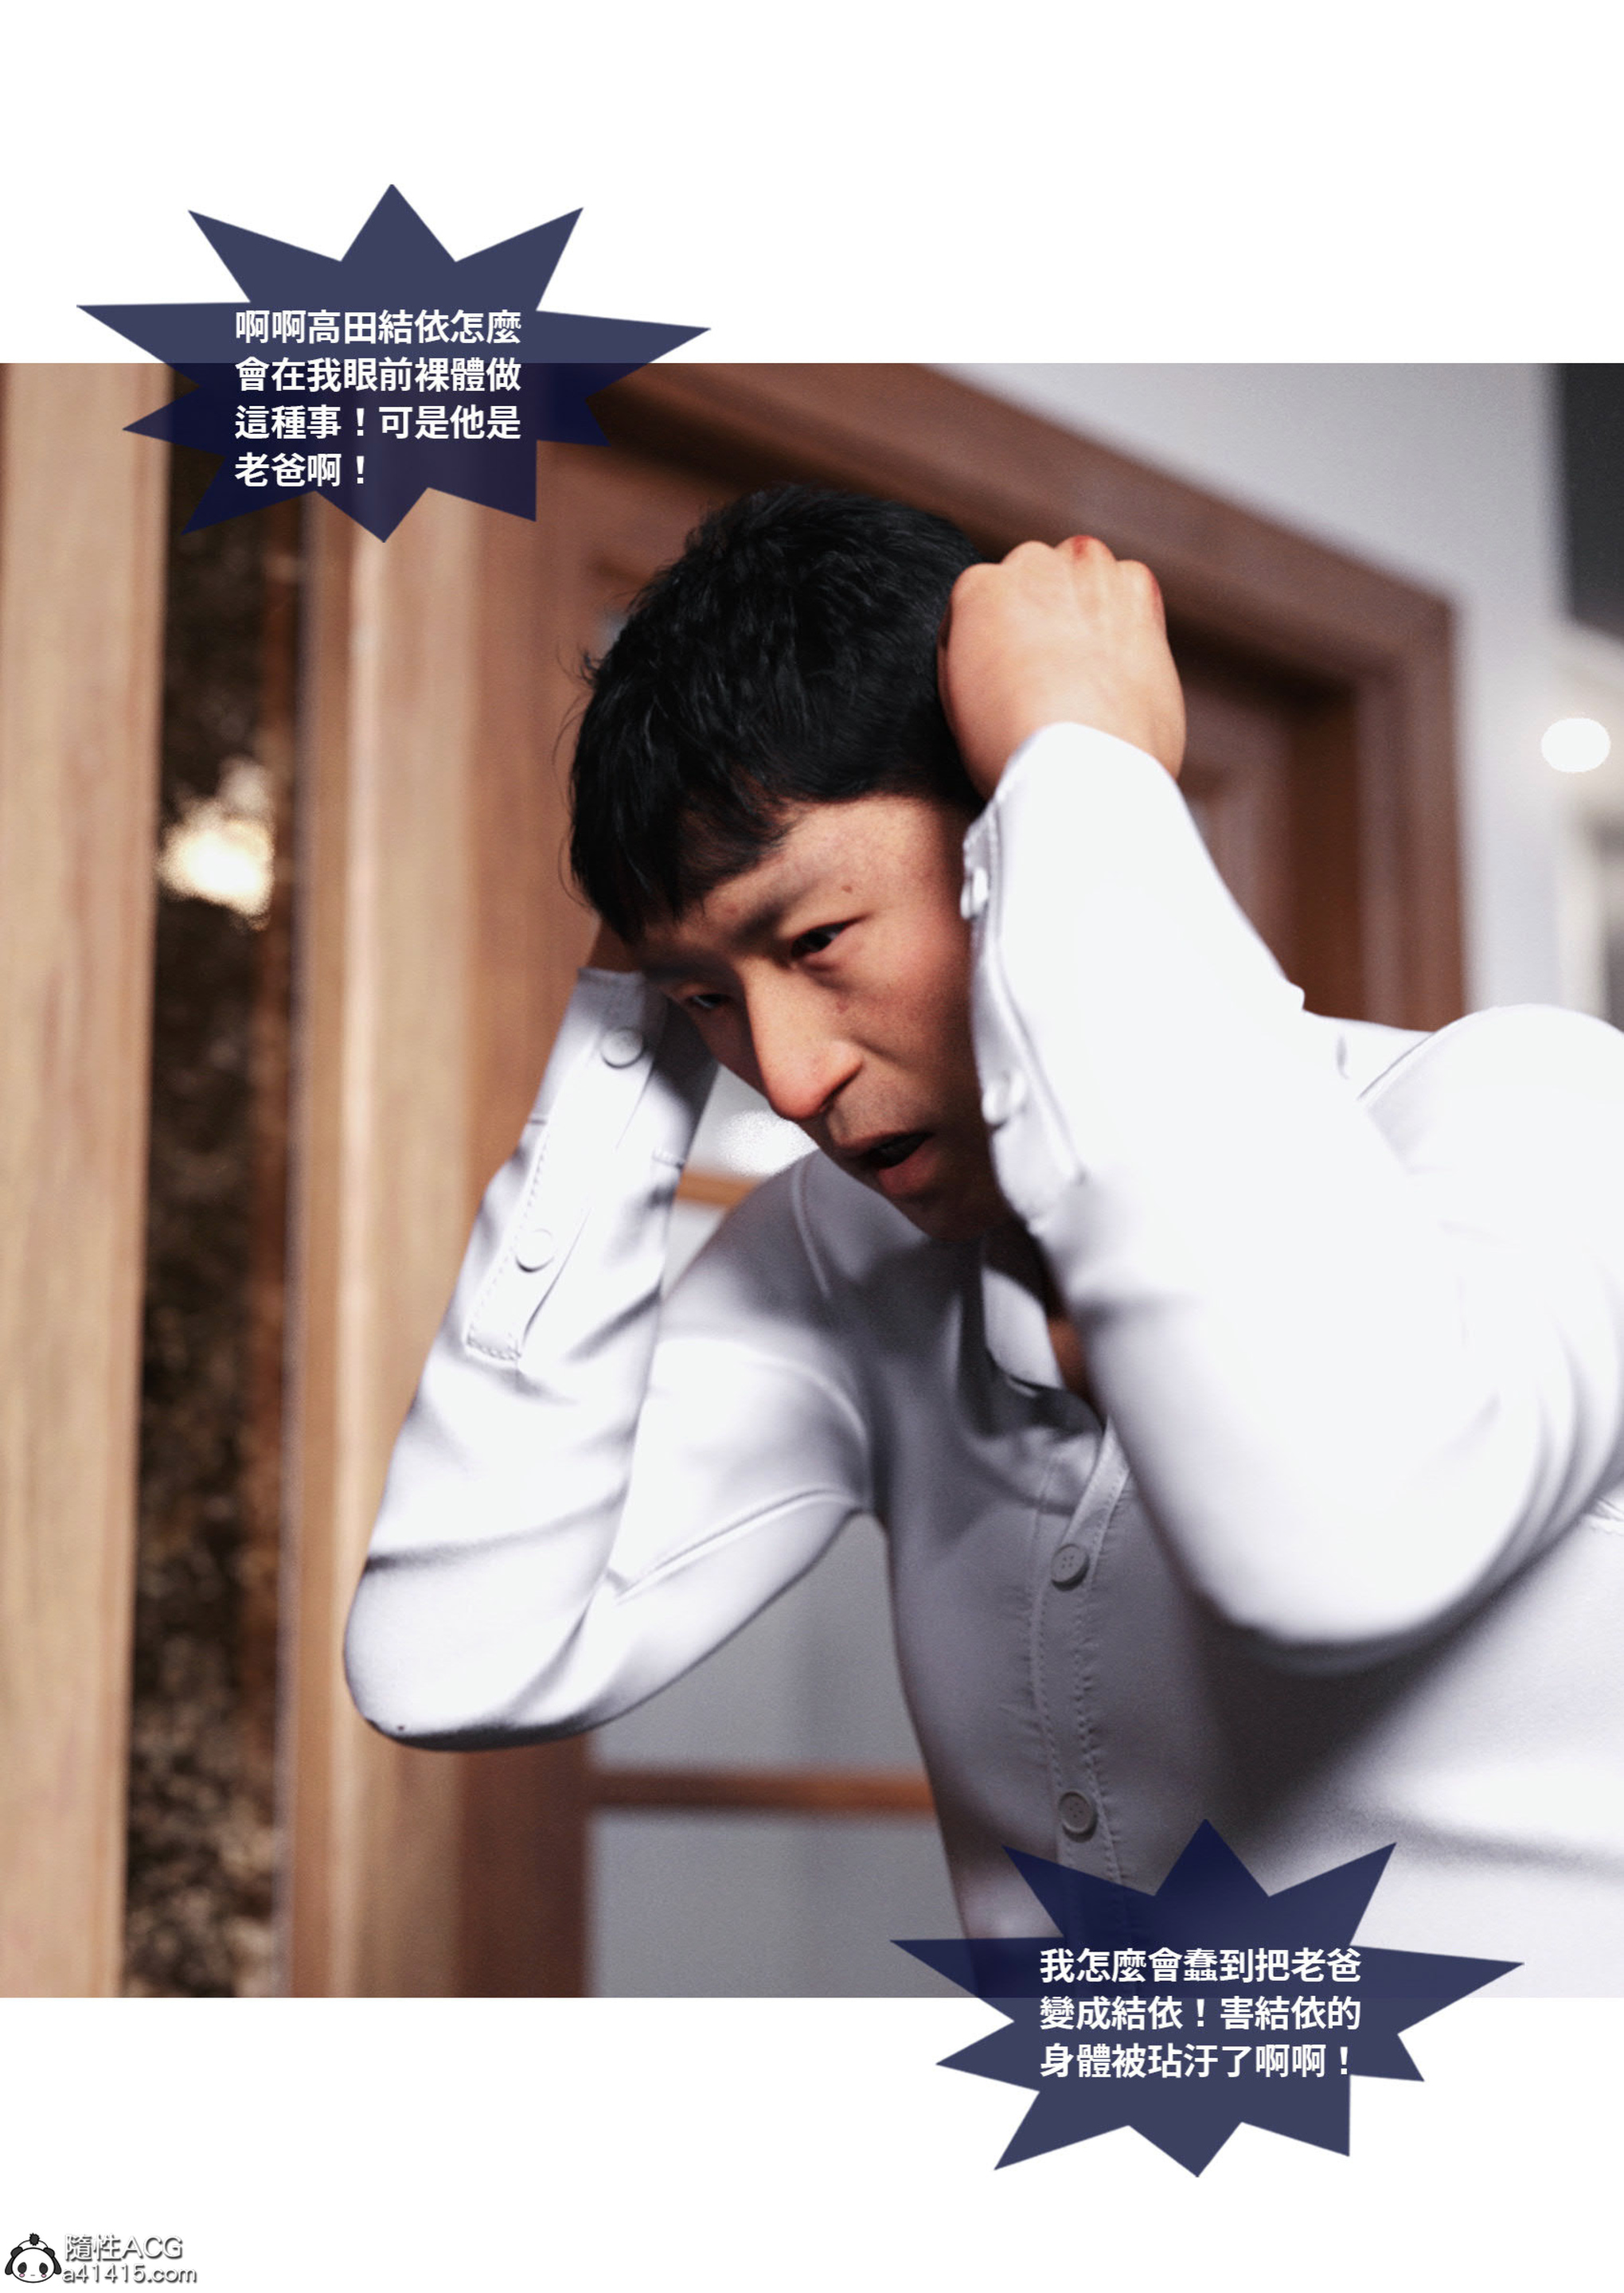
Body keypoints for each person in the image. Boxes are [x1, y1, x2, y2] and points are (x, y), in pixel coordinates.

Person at [345, 486, 1624, 1991]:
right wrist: (627, 1021)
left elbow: (1334, 1538)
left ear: (1004, 841)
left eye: (818, 941)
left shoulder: (1538, 1117)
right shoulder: (844, 1260)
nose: (790, 1079)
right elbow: (451, 1659)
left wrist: (1081, 768)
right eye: (710, 999)